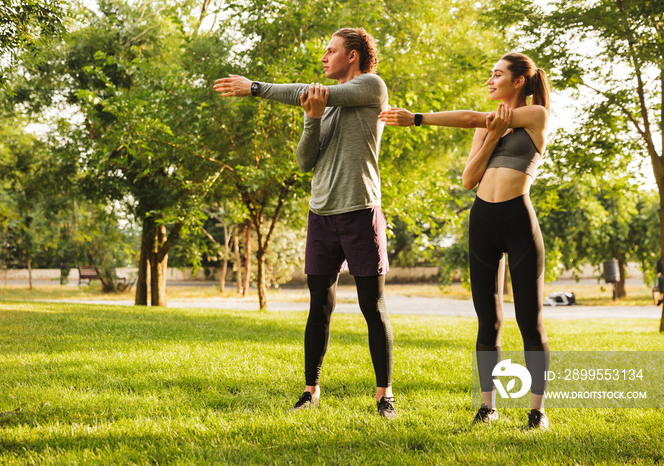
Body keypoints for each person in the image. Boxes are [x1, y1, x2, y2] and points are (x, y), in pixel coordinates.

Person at [213, 27, 396, 419]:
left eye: (331, 51)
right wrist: (311, 119)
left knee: (373, 307)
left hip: (360, 210)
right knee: (319, 307)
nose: (323, 58)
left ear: (353, 55)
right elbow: (304, 162)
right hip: (321, 214)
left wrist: (256, 88)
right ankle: (311, 389)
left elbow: (312, 91)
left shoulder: (371, 87)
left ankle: (384, 395)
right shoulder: (322, 104)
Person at [379, 52, 551, 430]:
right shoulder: (485, 126)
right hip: (483, 221)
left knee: (530, 322)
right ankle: (488, 407)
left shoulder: (537, 116)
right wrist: (491, 135)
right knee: (487, 321)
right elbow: (468, 179)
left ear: (519, 81)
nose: (490, 81)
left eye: (497, 75)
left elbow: (473, 116)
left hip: (519, 220)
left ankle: (537, 412)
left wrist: (418, 118)